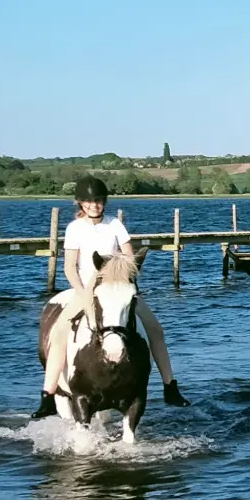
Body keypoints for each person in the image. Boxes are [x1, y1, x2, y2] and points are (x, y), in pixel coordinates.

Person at [34, 176, 190, 417]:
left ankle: (170, 386)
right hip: (87, 289)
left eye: (98, 200)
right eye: (89, 201)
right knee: (58, 333)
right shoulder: (75, 228)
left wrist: (126, 278)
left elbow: (129, 260)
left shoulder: (115, 224)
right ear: (81, 204)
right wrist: (82, 292)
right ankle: (48, 394)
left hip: (116, 290)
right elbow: (69, 267)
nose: (95, 205)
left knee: (156, 330)